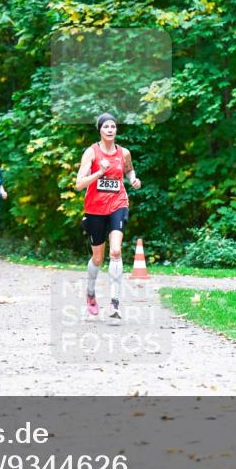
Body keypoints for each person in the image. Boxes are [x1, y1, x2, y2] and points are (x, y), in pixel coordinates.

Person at [74, 113, 141, 320]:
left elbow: (129, 170)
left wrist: (133, 179)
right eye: (106, 127)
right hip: (94, 209)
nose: (110, 130)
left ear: (116, 130)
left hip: (118, 204)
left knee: (116, 251)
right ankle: (91, 293)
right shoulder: (91, 153)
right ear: (100, 130)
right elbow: (79, 184)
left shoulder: (124, 153)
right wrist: (98, 173)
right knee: (97, 258)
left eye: (113, 126)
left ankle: (114, 304)